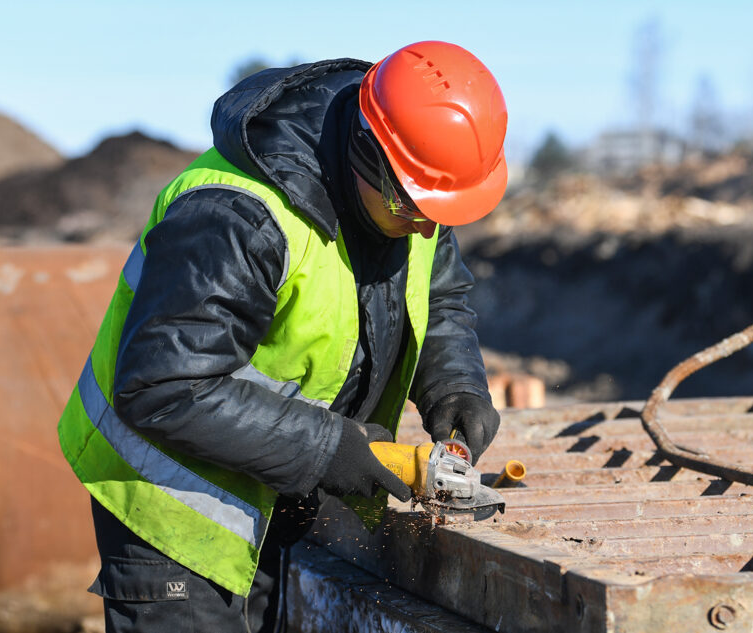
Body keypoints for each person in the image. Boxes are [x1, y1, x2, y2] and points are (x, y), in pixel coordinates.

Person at [57, 40, 507, 632]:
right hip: (175, 510)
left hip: (274, 485)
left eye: (439, 212)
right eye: (411, 204)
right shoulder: (235, 215)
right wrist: (334, 451)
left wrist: (455, 385)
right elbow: (165, 385)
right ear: (365, 151)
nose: (424, 225)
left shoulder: (411, 195)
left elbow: (439, 296)